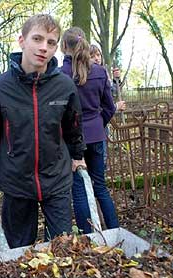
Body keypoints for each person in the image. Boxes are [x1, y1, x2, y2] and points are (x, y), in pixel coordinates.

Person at [0, 14, 85, 249]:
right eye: (37, 39)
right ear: (22, 40)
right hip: (17, 181)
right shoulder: (0, 89)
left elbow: (73, 125)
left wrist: (77, 156)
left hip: (57, 179)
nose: (44, 47)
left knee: (60, 245)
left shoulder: (64, 87)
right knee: (19, 247)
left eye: (51, 43)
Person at [61, 27, 123, 234]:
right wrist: (98, 124)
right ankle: (113, 231)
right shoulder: (98, 71)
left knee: (78, 189)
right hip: (96, 136)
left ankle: (88, 236)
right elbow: (110, 107)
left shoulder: (59, 75)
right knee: (100, 186)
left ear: (63, 47)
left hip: (71, 140)